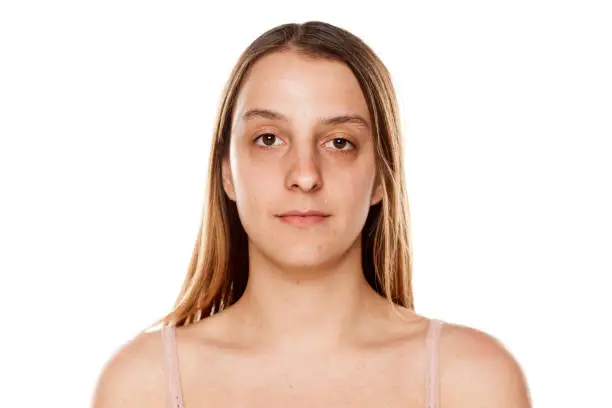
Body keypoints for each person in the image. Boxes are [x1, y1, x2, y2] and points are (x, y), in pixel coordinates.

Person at [91, 21, 531, 408]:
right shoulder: (141, 387)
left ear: (381, 177)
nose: (304, 175)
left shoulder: (474, 382)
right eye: (268, 139)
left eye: (339, 142)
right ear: (227, 173)